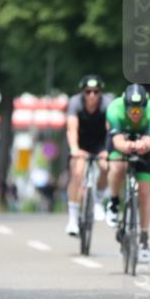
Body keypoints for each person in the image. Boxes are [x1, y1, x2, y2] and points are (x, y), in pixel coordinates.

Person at [105, 83, 150, 263]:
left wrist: (143, 145)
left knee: (144, 191)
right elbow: (117, 142)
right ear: (125, 105)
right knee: (118, 166)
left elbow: (149, 140)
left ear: (145, 106)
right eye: (132, 110)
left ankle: (144, 238)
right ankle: (114, 202)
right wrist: (127, 146)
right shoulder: (114, 109)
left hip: (144, 146)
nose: (135, 114)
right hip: (121, 143)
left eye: (139, 110)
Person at [64, 75, 112, 236]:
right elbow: (71, 128)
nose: (92, 95)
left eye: (96, 92)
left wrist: (107, 150)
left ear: (100, 93)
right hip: (81, 143)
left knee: (106, 166)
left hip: (100, 144)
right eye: (88, 91)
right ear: (83, 92)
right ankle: (72, 220)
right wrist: (74, 149)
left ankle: (98, 199)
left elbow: (110, 130)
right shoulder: (75, 103)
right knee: (77, 173)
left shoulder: (107, 103)